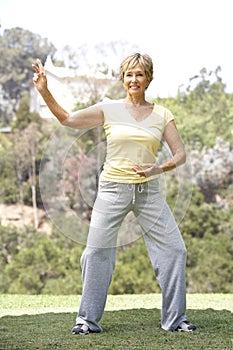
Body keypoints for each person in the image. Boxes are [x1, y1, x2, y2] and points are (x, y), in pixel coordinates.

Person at [32, 52, 197, 334]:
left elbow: (180, 154)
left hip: (149, 192)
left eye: (140, 74)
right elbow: (68, 120)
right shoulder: (109, 108)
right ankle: (86, 321)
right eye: (129, 75)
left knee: (174, 250)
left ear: (148, 79)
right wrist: (45, 91)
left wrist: (159, 168)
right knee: (96, 253)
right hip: (112, 189)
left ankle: (175, 320)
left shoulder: (162, 115)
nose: (134, 79)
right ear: (123, 79)